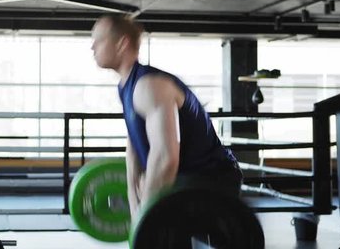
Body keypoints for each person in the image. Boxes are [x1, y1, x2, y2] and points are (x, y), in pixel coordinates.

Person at [90, 14, 242, 219]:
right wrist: (133, 197)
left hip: (211, 179)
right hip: (184, 179)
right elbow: (133, 142)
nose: (93, 48)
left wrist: (144, 215)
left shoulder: (149, 86)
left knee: (158, 219)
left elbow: (165, 159)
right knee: (149, 189)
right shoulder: (126, 86)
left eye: (99, 40)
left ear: (121, 44)